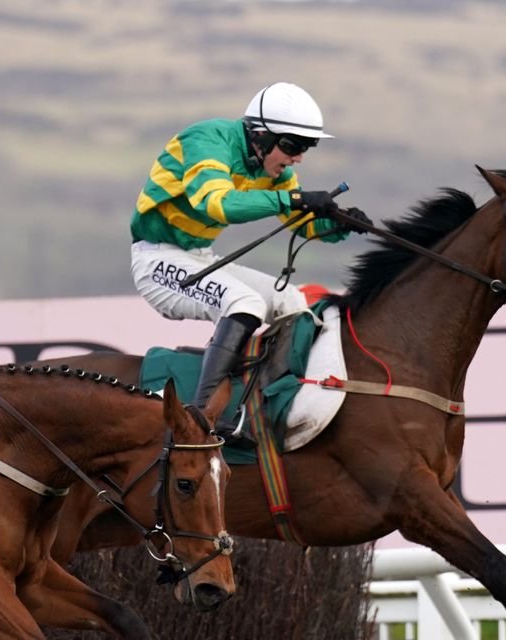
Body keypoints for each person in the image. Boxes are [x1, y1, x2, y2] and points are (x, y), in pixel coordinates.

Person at [128, 82, 371, 435]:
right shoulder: (206, 141)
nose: (297, 157)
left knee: (292, 303)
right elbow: (217, 204)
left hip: (198, 258)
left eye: (306, 147)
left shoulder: (273, 171)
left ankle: (272, 401)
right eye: (292, 145)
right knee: (244, 302)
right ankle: (204, 415)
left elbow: (301, 224)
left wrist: (341, 225)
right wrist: (295, 199)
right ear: (258, 135)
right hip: (156, 262)